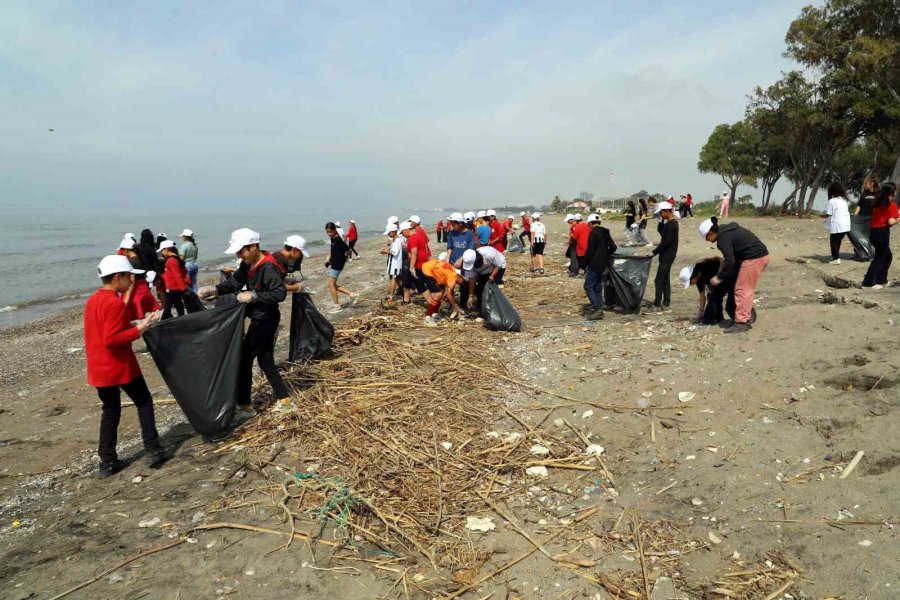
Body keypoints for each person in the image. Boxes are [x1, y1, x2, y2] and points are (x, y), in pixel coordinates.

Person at [85, 255, 164, 478]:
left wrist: (134, 323)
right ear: (117, 277)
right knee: (144, 401)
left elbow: (105, 329)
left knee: (110, 411)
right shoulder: (114, 302)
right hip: (119, 366)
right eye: (129, 277)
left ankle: (107, 462)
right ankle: (153, 449)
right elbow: (112, 338)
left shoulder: (94, 300)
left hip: (98, 367)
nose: (131, 281)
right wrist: (142, 327)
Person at [199, 228, 291, 418]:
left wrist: (253, 295)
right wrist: (214, 290)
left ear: (254, 246)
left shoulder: (268, 267)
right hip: (258, 317)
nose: (239, 254)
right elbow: (234, 283)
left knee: (244, 358)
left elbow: (279, 293)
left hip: (266, 319)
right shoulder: (247, 264)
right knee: (265, 360)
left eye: (241, 251)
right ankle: (284, 400)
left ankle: (245, 405)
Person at [698, 217, 769, 333]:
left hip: (754, 258)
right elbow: (731, 259)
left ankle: (741, 323)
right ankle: (745, 316)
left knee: (742, 290)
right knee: (740, 288)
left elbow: (730, 261)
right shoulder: (727, 232)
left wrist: (719, 277)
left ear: (710, 233)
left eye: (707, 238)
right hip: (757, 256)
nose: (708, 241)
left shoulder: (722, 240)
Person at [862, 182, 899, 289]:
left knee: (887, 256)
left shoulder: (877, 203)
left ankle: (881, 280)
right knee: (879, 258)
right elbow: (891, 221)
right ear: (892, 192)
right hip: (882, 233)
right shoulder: (892, 205)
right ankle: (868, 283)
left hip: (873, 232)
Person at [582, 214, 617, 321]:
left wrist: (583, 264)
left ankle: (597, 310)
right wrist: (606, 254)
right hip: (604, 264)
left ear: (590, 224)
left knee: (588, 286)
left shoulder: (593, 233)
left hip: (594, 264)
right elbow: (613, 247)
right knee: (597, 286)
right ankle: (599, 306)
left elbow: (590, 251)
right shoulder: (606, 231)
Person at [159, 240, 202, 319]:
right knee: (178, 305)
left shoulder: (171, 260)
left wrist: (183, 289)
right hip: (176, 288)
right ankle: (181, 318)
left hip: (172, 288)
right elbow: (184, 271)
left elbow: (177, 275)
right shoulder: (177, 258)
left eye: (162, 250)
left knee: (167, 307)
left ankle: (162, 321)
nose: (162, 253)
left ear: (166, 249)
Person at [119, 239, 160, 321]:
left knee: (132, 315)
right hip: (144, 288)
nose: (122, 253)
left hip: (136, 291)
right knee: (143, 314)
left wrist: (127, 297)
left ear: (126, 250)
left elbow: (132, 280)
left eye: (122, 250)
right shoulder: (141, 259)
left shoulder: (130, 262)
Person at [456, 247, 506, 312]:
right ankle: (481, 308)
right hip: (483, 271)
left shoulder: (489, 254)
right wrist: (471, 296)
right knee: (481, 289)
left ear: (476, 260)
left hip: (498, 266)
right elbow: (472, 279)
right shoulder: (468, 262)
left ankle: (494, 309)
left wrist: (492, 276)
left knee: (492, 289)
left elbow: (498, 265)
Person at [323, 222, 358, 311]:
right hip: (334, 263)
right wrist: (328, 259)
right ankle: (351, 294)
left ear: (335, 230)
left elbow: (348, 249)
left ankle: (337, 305)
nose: (329, 234)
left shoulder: (338, 239)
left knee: (331, 285)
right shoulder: (333, 239)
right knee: (333, 285)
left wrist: (344, 259)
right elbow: (332, 250)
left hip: (337, 265)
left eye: (330, 232)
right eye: (327, 232)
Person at [651, 201, 679, 310]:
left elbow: (665, 243)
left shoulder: (671, 224)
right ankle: (666, 303)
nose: (660, 215)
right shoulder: (670, 223)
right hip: (668, 255)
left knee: (658, 280)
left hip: (667, 256)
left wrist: (653, 252)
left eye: (661, 213)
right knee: (665, 280)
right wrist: (661, 220)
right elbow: (661, 231)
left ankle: (657, 304)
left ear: (667, 211)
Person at [421, 255, 464, 325]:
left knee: (441, 292)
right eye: (463, 281)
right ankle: (428, 317)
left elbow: (445, 286)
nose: (462, 283)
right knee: (438, 294)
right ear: (460, 276)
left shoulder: (452, 271)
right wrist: (456, 306)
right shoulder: (453, 277)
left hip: (429, 267)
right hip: (427, 270)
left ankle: (434, 314)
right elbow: (449, 295)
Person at [403, 216, 433, 302]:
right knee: (424, 284)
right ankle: (433, 303)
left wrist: (412, 267)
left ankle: (432, 304)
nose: (410, 223)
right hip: (422, 260)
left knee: (422, 285)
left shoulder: (417, 234)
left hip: (419, 262)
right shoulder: (418, 232)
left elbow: (414, 253)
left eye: (411, 221)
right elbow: (426, 240)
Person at [824, 182, 851, 265]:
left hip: (837, 224)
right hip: (846, 225)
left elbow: (829, 213)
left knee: (833, 241)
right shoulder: (844, 200)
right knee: (838, 241)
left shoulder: (832, 201)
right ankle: (835, 256)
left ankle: (836, 258)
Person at [381, 223, 404, 301]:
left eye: (389, 233)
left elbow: (394, 252)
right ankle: (405, 292)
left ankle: (391, 296)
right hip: (393, 263)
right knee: (397, 279)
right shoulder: (394, 240)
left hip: (395, 264)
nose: (388, 234)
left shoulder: (397, 240)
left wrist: (385, 252)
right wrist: (385, 251)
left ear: (394, 232)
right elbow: (392, 250)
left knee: (393, 279)